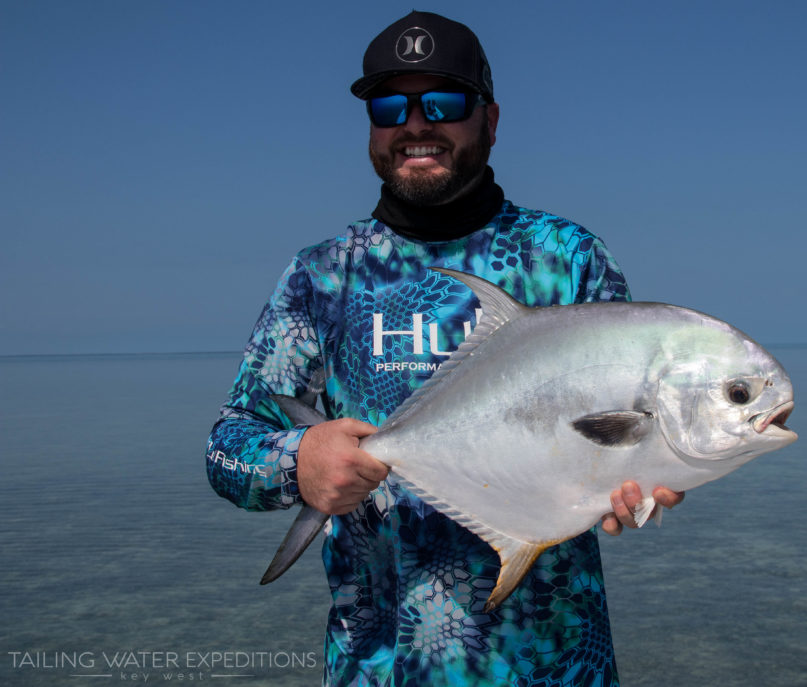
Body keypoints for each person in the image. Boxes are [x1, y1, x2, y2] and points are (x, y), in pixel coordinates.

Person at [207, 10, 683, 686]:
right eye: (389, 104)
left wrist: (643, 485)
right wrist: (297, 460)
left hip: (556, 669)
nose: (415, 123)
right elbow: (227, 445)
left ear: (490, 119)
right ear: (372, 126)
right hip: (378, 669)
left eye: (445, 101)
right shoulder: (321, 276)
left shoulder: (569, 259)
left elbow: (622, 437)